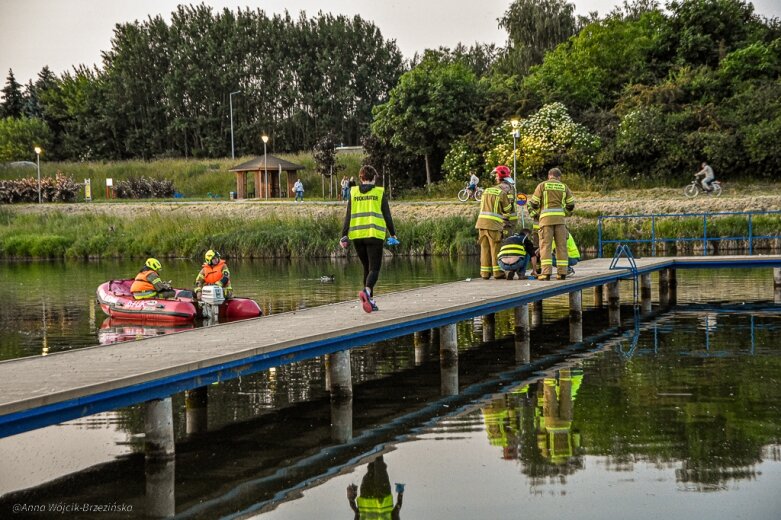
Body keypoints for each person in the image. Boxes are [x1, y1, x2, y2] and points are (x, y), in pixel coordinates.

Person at [340, 165, 396, 313]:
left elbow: (348, 215)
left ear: (361, 178)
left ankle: (370, 301)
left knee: (366, 268)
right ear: (373, 178)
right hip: (374, 235)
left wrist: (343, 235)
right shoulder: (378, 192)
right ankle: (366, 291)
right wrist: (393, 234)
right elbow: (387, 215)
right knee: (375, 269)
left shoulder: (354, 192)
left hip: (357, 236)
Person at [529, 167, 575, 281]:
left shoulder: (542, 185)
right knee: (561, 247)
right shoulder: (564, 187)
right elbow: (571, 205)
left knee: (545, 247)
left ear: (549, 176)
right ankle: (562, 273)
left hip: (545, 221)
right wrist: (564, 210)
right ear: (559, 177)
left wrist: (538, 210)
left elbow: (534, 203)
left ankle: (546, 273)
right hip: (560, 221)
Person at [474, 165, 517, 280]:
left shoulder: (487, 190)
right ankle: (497, 272)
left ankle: (485, 273)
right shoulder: (502, 193)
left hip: (481, 224)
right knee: (495, 248)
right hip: (493, 225)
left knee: (485, 248)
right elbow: (507, 209)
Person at [347, 456, 404, 520]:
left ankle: (374, 449)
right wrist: (351, 500)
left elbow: (396, 512)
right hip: (373, 495)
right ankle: (373, 449)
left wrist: (400, 493)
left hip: (378, 495)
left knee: (377, 465)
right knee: (373, 466)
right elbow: (357, 513)